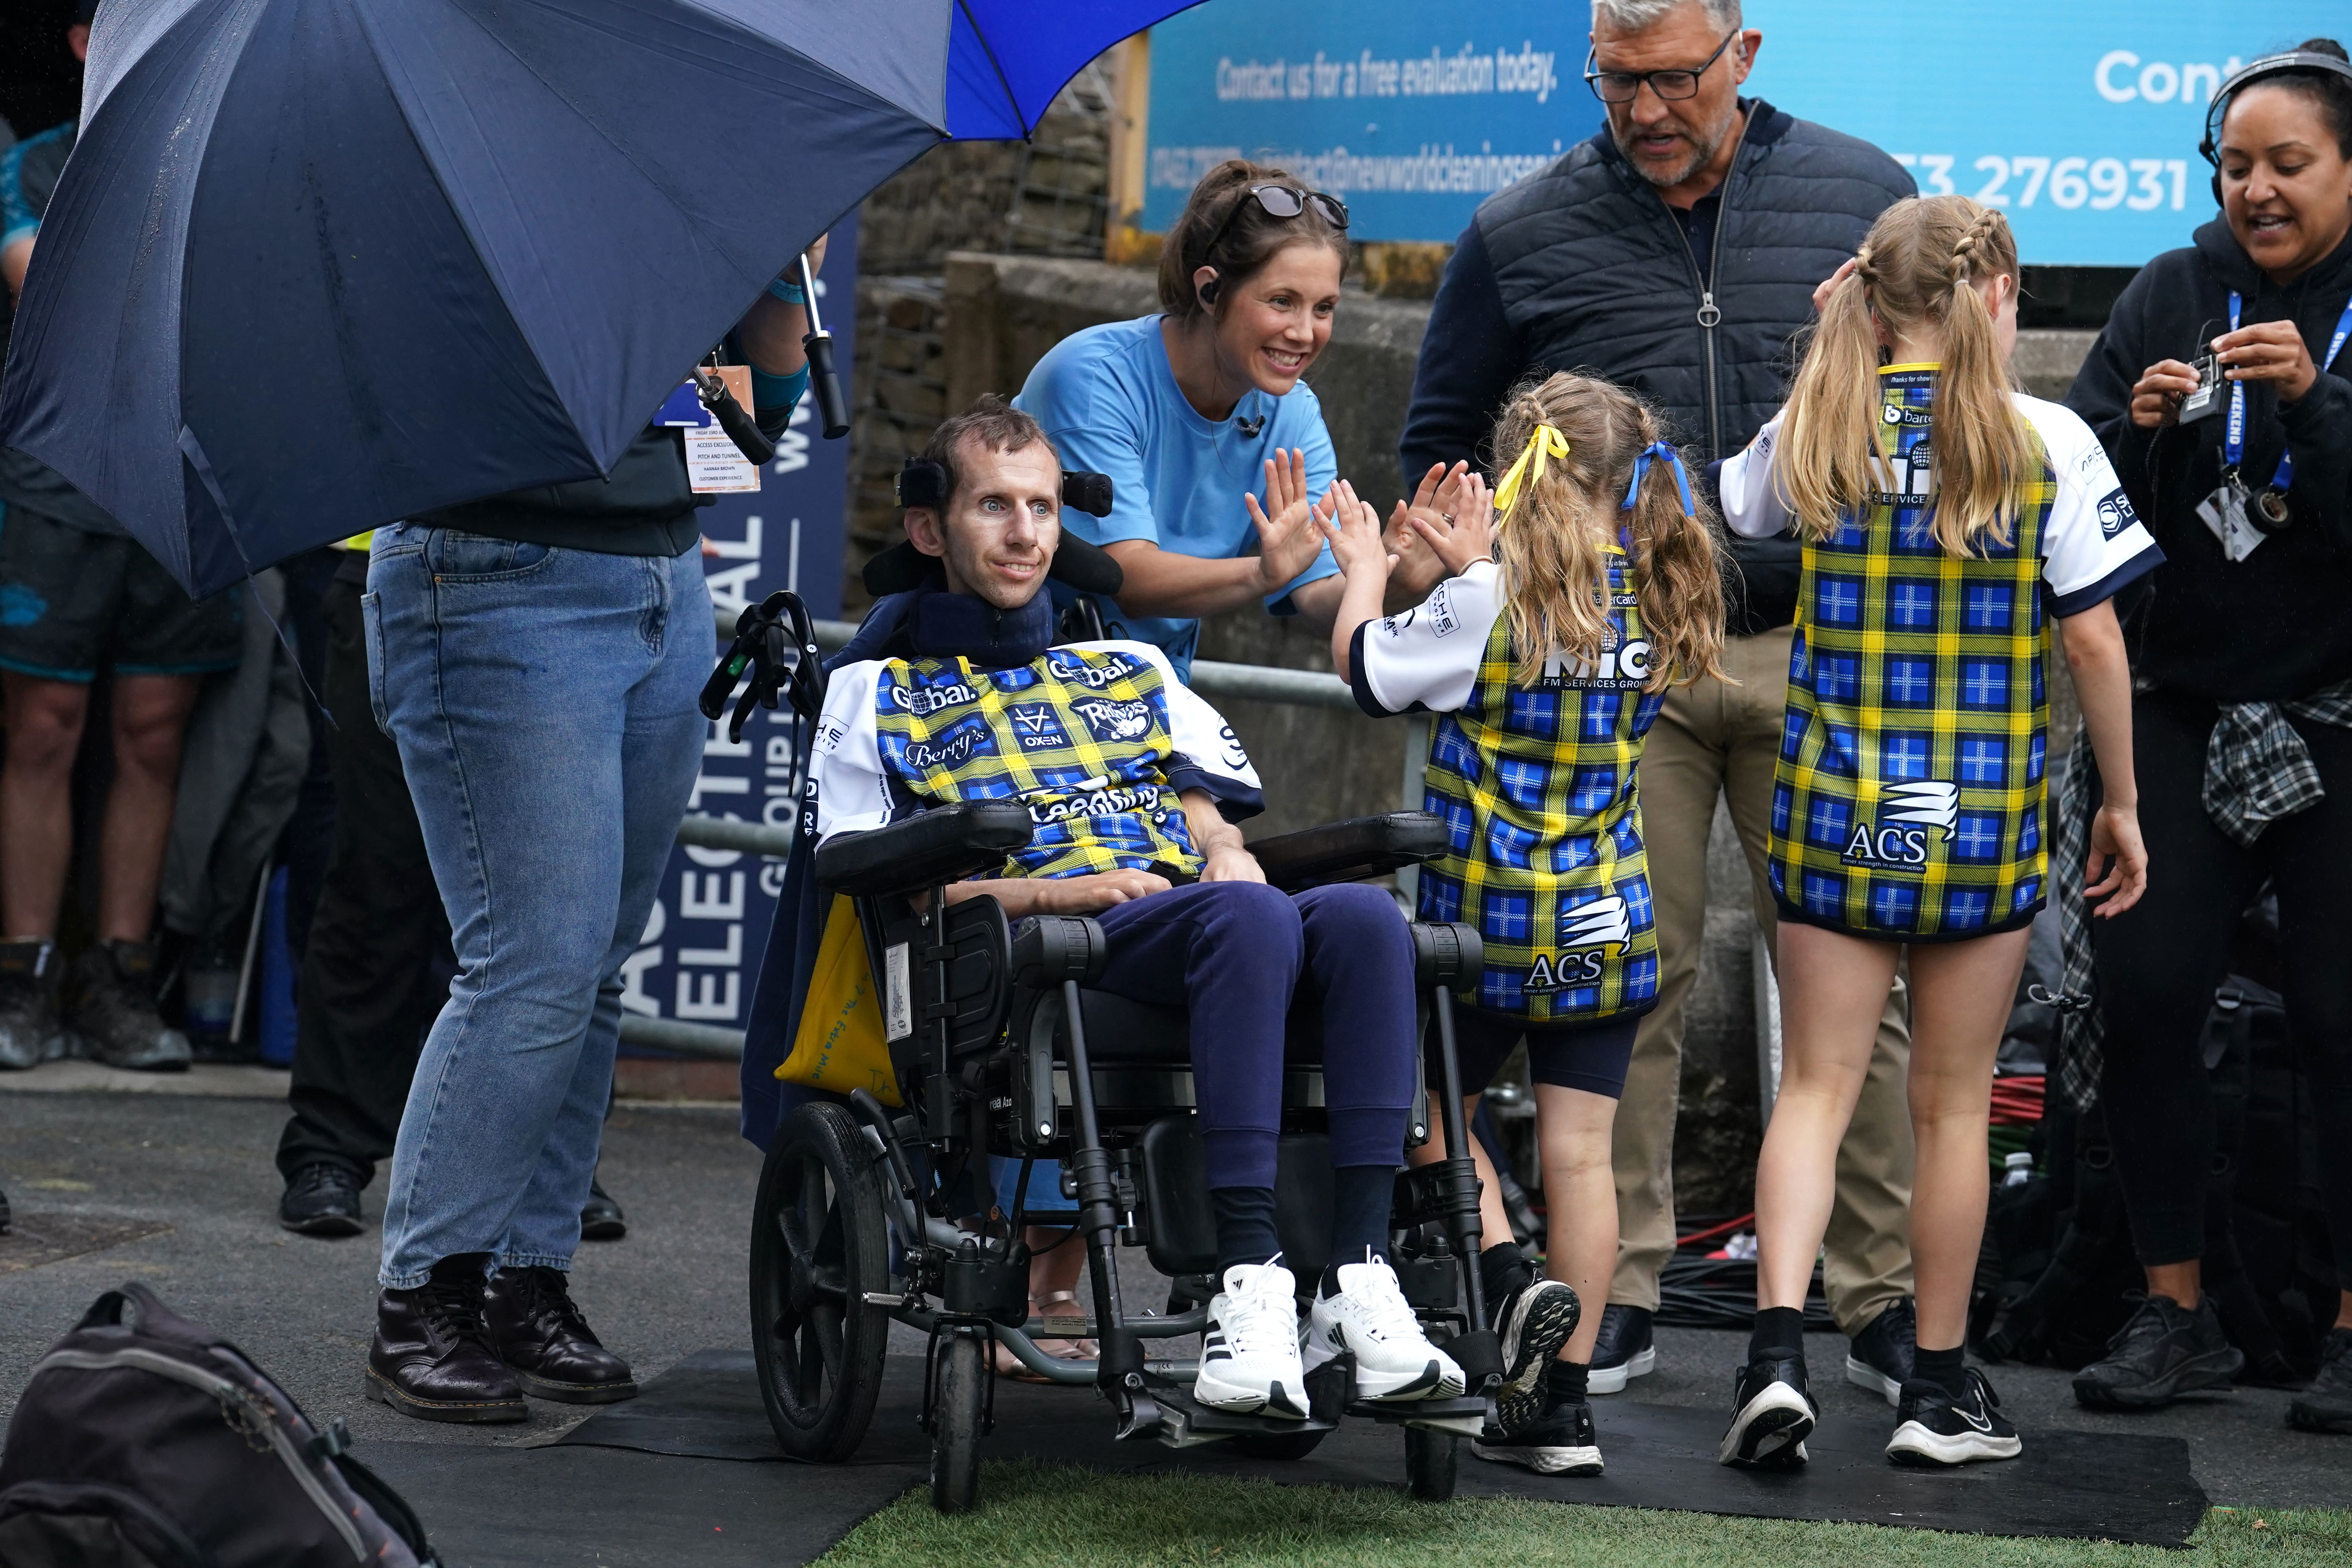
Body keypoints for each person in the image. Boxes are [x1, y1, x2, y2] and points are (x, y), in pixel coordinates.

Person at [1398, 0, 1923, 1398]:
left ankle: (1877, 1301)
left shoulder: (1865, 196)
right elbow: (1439, 448)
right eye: (1614, 82)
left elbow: (1936, 391)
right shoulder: (1517, 229)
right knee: (1622, 976)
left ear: (1742, 58)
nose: (1641, 109)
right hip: (1613, 672)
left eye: (1672, 79)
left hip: (1819, 645)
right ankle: (1606, 1293)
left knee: (1851, 990)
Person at [811, 397, 1464, 1418]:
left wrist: (1226, 849)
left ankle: (1357, 1277)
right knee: (1246, 920)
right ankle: (1250, 1282)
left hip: (1184, 924)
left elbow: (1208, 816)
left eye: (1042, 506)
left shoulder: (1131, 667)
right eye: (995, 506)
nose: (1026, 532)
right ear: (932, 528)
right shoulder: (873, 690)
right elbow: (875, 874)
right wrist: (1059, 888)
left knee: (1365, 919)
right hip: (1030, 951)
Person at [1716, 195, 2158, 1469]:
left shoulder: (1818, 422)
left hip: (1834, 812)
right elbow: (2090, 637)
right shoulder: (2045, 440)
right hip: (1979, 820)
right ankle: (1937, 1388)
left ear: (1863, 296)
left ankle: (1772, 1355)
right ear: (1998, 289)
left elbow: (1740, 509)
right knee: (1951, 1105)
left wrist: (1824, 355)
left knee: (1813, 1087)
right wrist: (2119, 804)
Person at [361, 240, 826, 1422]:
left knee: (591, 969)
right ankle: (424, 1295)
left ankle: (528, 1278)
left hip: (657, 584)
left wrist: (772, 274)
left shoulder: (644, 183)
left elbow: (741, 444)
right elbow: (476, 417)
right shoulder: (460, 179)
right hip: (497, 576)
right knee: (536, 958)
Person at [1329, 372, 1728, 1476]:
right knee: (1582, 1160)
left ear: (1525, 475)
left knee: (1422, 1108)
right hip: (1610, 918)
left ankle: (1505, 1284)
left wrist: (1367, 573)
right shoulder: (1663, 591)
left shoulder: (1487, 602)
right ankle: (1560, 1411)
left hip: (1488, 923)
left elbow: (1368, 673)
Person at [2062, 40, 2352, 1437]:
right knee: (2144, 987)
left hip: (2339, 709)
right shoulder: (2170, 290)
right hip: (2180, 704)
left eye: (2285, 164)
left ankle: (2350, 1324)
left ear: (2346, 167)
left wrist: (2314, 400)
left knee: (2344, 1013)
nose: (2254, 189)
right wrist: (2138, 432)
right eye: (2234, 164)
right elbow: (2077, 505)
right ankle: (2170, 1305)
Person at [0, 0, 240, 1074]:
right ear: (85, 46)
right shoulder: (37, 162)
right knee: (43, 725)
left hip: (183, 479)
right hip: (55, 481)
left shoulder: (229, 158)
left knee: (154, 730)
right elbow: (49, 288)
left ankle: (120, 982)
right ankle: (24, 975)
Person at [272, 533, 628, 1241]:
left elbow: (739, 431)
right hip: (406, 565)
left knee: (554, 905)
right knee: (378, 871)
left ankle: (548, 1159)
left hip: (582, 578)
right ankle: (330, 1145)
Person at [1016, 158, 1465, 680]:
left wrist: (1389, 574)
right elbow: (1128, 578)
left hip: (1152, 695)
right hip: (1021, 677)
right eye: (1282, 302)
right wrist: (1261, 572)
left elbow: (1318, 594)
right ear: (1210, 291)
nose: (1305, 332)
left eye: (1324, 308)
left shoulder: (1292, 411)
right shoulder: (1092, 379)